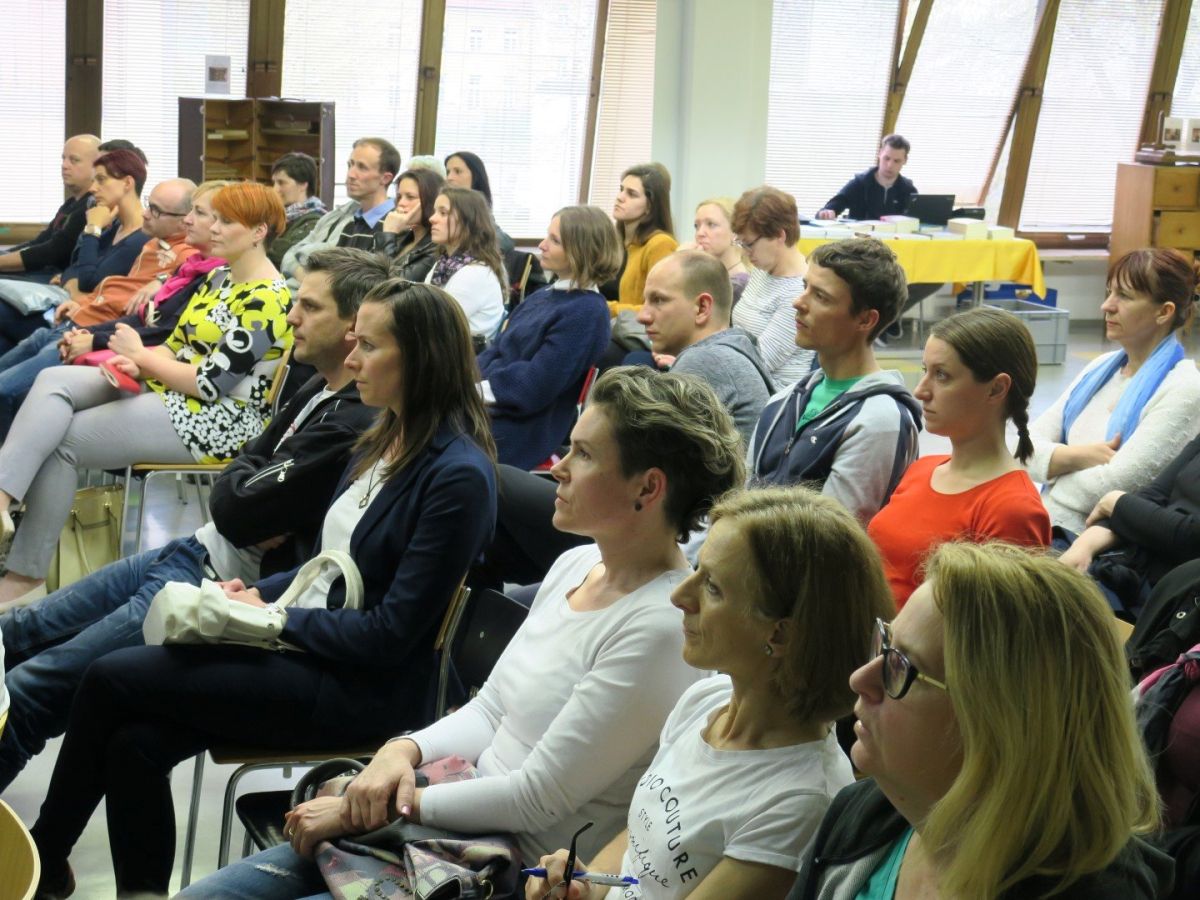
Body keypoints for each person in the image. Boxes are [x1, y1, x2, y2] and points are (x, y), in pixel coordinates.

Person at [178, 366, 745, 899]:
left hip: (495, 869)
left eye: (585, 454)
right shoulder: (576, 565)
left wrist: (376, 804)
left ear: (648, 489)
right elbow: (491, 709)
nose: (560, 468)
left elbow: (536, 800)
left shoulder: (660, 626)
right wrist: (402, 750)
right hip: (441, 824)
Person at [29, 279, 500, 898]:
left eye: (369, 346)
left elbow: (390, 635)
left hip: (363, 687)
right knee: (133, 742)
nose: (352, 358)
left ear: (418, 359)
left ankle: (43, 856)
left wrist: (276, 620)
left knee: (109, 677)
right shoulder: (384, 436)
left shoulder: (458, 476)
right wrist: (255, 594)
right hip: (315, 648)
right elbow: (328, 565)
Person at [0, 248, 385, 791]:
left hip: (214, 582)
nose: (293, 315)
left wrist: (242, 482)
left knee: (34, 688)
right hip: (193, 547)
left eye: (310, 306)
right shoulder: (316, 384)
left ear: (353, 329)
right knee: (18, 629)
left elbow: (237, 500)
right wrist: (244, 480)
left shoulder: (352, 421)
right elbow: (243, 472)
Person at [526, 486, 894, 900]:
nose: (680, 596)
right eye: (697, 570)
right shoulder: (706, 701)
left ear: (780, 634)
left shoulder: (798, 801)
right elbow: (639, 851)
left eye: (713, 587)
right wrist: (582, 885)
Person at [790, 540, 1171, 899]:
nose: (860, 680)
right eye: (885, 643)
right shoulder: (862, 810)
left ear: (999, 726)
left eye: (901, 667)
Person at [0, 182, 292, 608]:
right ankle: (3, 496)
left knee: (64, 441)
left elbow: (211, 384)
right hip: (170, 388)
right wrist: (137, 362)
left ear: (258, 232)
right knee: (54, 379)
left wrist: (142, 358)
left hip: (216, 420)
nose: (212, 228)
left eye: (226, 221)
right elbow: (175, 345)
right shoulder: (219, 277)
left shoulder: (269, 298)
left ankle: (25, 576)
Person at [868, 308, 1051, 607]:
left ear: (996, 389)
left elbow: (993, 626)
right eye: (925, 370)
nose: (920, 390)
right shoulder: (922, 470)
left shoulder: (1012, 510)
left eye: (942, 375)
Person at [0, 178, 198, 439]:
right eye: (149, 204)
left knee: (3, 390)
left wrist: (162, 280)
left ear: (185, 220)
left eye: (156, 210)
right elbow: (99, 281)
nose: (146, 213)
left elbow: (86, 277)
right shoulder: (151, 242)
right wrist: (82, 301)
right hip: (71, 321)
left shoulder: (187, 257)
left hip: (86, 333)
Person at [1027, 248, 1200, 534]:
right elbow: (1024, 449)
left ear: (1164, 312)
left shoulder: (1184, 388)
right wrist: (1078, 457)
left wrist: (1052, 473)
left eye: (1125, 296)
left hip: (1085, 539)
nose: (1106, 305)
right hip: (1040, 518)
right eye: (1110, 293)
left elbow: (1116, 485)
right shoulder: (1101, 367)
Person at [747, 238, 921, 523]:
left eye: (821, 297)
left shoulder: (879, 421)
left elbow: (831, 536)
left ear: (865, 320)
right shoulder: (784, 400)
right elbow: (743, 497)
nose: (798, 303)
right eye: (805, 287)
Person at [478, 205, 620, 468]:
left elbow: (533, 386)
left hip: (519, 429)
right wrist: (464, 384)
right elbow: (497, 349)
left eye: (555, 240)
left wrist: (473, 391)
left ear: (581, 251)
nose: (542, 245)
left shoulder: (587, 313)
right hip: (490, 407)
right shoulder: (545, 295)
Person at [0, 148, 150, 354]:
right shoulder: (114, 227)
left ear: (127, 183)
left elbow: (87, 280)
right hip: (68, 307)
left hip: (82, 324)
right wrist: (71, 283)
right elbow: (75, 267)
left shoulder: (141, 238)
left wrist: (92, 228)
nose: (93, 188)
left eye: (101, 180)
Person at [1058, 429, 1200, 618]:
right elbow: (1153, 494)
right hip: (1130, 564)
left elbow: (1192, 537)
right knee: (1043, 572)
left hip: (1173, 602)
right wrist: (1085, 545)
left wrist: (1116, 503)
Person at [637, 250, 773, 444]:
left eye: (658, 300)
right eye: (645, 301)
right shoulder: (728, 353)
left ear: (702, 307)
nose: (642, 316)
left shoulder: (706, 360)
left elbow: (654, 454)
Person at [281, 137, 401, 287]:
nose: (351, 174)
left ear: (385, 178)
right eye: (350, 165)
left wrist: (304, 265)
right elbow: (289, 255)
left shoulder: (393, 226)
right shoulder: (343, 216)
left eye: (362, 167)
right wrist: (302, 273)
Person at [730, 186, 813, 387]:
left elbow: (760, 361)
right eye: (741, 243)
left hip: (773, 394)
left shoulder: (799, 291)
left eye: (749, 244)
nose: (745, 252)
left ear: (779, 235)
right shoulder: (762, 270)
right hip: (743, 381)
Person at [0, 135, 100, 281]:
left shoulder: (91, 206)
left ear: (96, 167)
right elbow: (39, 242)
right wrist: (5, 254)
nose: (64, 165)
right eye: (63, 158)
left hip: (56, 279)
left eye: (74, 160)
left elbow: (54, 252)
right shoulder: (70, 204)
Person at [424, 185, 506, 339]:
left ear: (468, 221)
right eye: (435, 212)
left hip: (463, 353)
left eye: (443, 213)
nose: (432, 219)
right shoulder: (445, 263)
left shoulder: (475, 273)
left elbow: (433, 326)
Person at [609, 163, 678, 316]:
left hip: (636, 329)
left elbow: (660, 307)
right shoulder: (613, 243)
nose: (620, 197)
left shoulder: (660, 244)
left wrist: (605, 308)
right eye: (621, 190)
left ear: (650, 207)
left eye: (631, 194)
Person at [816, 134, 916, 221]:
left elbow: (918, 221)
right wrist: (826, 213)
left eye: (896, 161)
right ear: (880, 154)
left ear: (905, 160)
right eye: (887, 158)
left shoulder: (908, 190)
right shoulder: (859, 183)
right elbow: (832, 206)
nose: (890, 165)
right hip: (860, 236)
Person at [376, 166, 444, 282]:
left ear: (431, 201)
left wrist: (389, 233)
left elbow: (392, 286)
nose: (401, 203)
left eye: (410, 197)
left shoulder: (435, 248)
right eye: (399, 197)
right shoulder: (402, 237)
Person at [444, 150, 514, 253]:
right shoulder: (441, 205)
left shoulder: (479, 209)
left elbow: (505, 242)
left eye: (457, 171)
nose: (449, 178)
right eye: (448, 172)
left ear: (475, 177)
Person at [683, 196, 749, 302]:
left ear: (735, 232)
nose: (700, 233)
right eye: (697, 226)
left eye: (711, 225)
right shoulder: (713, 278)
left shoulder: (739, 286)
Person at [268, 151, 327, 268]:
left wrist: (258, 241)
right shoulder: (277, 217)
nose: (275, 189)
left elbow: (292, 254)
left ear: (303, 185)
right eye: (274, 183)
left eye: (281, 183)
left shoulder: (316, 221)